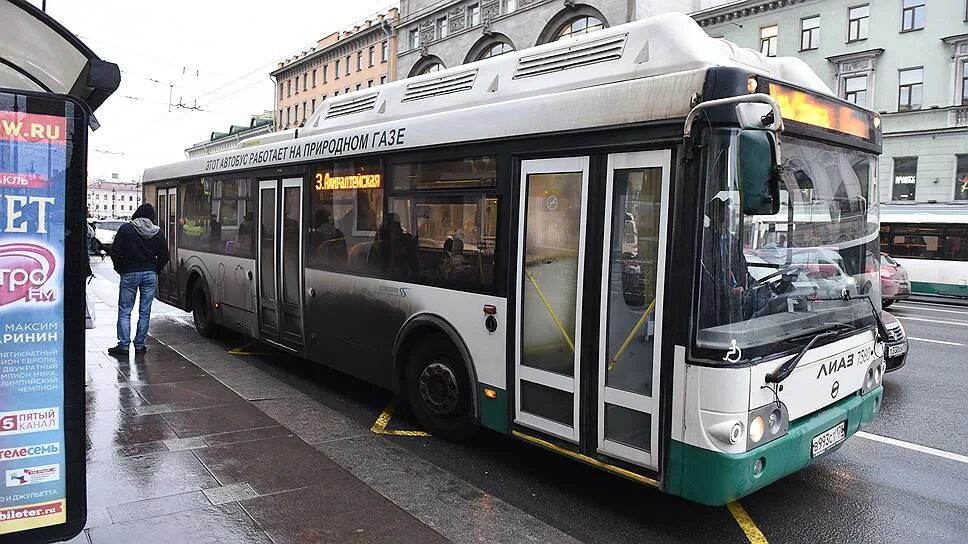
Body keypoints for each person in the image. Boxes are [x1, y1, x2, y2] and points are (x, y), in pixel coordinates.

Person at [107, 204, 169, 356]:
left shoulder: (126, 230)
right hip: (149, 273)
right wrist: (155, 270)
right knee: (145, 311)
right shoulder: (158, 232)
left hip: (129, 272)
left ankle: (124, 346)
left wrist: (121, 269)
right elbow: (165, 256)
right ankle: (140, 345)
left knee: (125, 310)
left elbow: (115, 252)